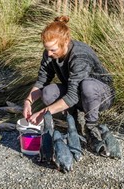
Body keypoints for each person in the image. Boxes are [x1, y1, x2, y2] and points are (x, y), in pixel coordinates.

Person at [23, 16, 115, 153]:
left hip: (100, 96)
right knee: (47, 92)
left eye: (53, 50)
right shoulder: (49, 54)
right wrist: (28, 101)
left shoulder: (79, 55)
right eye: (47, 49)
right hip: (77, 93)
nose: (49, 53)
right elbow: (42, 80)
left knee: (87, 86)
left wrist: (43, 113)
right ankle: (73, 122)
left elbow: (72, 96)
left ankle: (91, 128)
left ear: (65, 41)